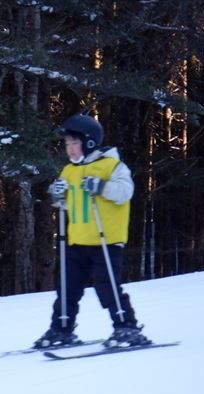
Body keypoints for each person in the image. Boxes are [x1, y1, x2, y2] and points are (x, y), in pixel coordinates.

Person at [34, 114, 151, 349]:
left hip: (105, 239)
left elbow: (124, 192)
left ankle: (126, 327)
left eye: (74, 144)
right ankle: (61, 328)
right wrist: (57, 194)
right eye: (67, 144)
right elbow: (68, 203)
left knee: (106, 285)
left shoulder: (111, 165)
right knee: (68, 288)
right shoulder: (69, 170)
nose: (69, 149)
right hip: (77, 240)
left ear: (88, 142)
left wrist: (100, 187)